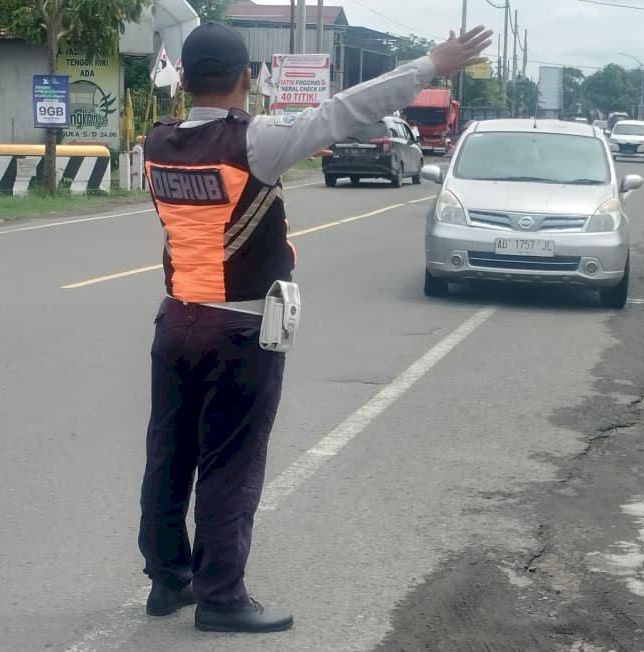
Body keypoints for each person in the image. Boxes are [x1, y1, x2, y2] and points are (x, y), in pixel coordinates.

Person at [136, 23, 492, 634]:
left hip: (175, 321)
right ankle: (221, 594)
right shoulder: (257, 141)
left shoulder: (158, 142)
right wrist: (429, 64)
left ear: (185, 81)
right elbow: (349, 108)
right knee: (229, 461)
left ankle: (168, 580)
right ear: (246, 78)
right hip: (239, 330)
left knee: (170, 453)